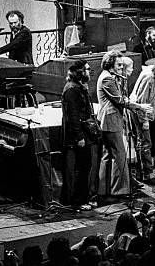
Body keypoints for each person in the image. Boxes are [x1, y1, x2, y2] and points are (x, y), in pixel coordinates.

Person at [97, 51, 144, 196]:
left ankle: (104, 189)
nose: (120, 68)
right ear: (110, 64)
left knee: (109, 155)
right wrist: (139, 106)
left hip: (109, 120)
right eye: (118, 65)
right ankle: (120, 191)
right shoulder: (107, 79)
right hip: (110, 121)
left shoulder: (110, 77)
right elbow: (120, 100)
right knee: (119, 155)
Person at [61, 60, 98, 210]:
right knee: (81, 168)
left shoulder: (79, 87)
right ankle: (78, 201)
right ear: (80, 72)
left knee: (85, 166)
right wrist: (80, 137)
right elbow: (73, 116)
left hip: (84, 133)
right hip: (78, 135)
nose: (89, 72)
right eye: (87, 70)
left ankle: (83, 198)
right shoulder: (72, 90)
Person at [130, 63, 155, 186]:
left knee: (144, 142)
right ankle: (146, 174)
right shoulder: (149, 77)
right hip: (140, 113)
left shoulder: (153, 74)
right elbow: (141, 101)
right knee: (145, 143)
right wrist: (144, 121)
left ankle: (143, 173)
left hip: (144, 112)